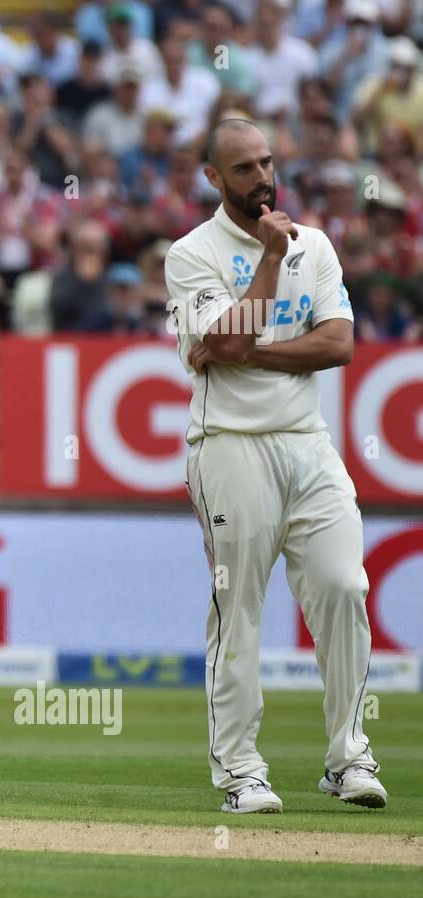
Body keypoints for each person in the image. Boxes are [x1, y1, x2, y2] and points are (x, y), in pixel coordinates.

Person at [164, 118, 386, 814]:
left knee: (345, 585)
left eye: (266, 163)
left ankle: (348, 757)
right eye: (243, 169)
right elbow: (222, 342)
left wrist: (247, 349)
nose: (262, 179)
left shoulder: (315, 245)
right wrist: (266, 262)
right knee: (241, 608)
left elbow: (338, 345)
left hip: (307, 440)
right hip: (228, 443)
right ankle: (240, 772)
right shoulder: (191, 253)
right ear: (213, 178)